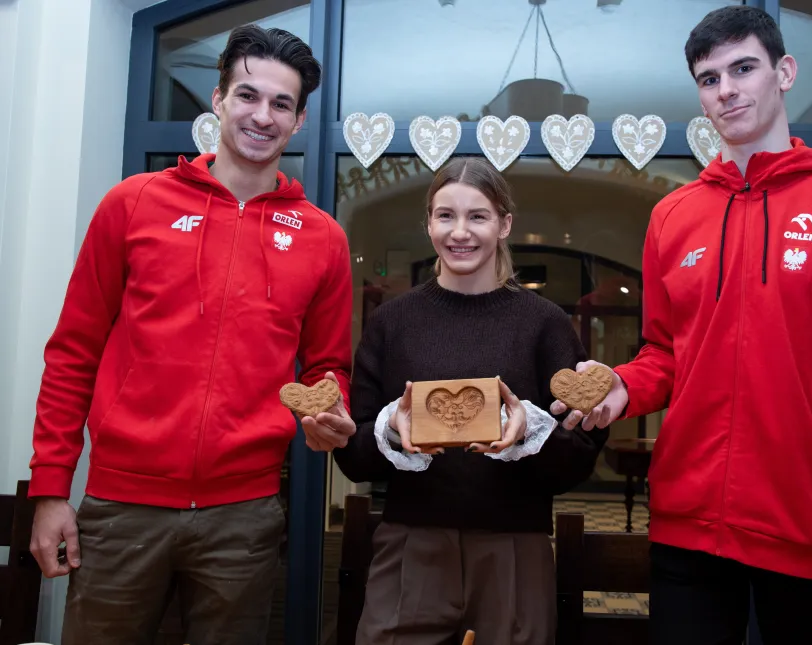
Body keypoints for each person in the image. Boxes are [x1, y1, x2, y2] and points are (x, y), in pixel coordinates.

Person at [552, 6, 812, 644]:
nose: (726, 89)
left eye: (743, 68)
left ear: (784, 73)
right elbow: (664, 354)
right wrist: (623, 386)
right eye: (708, 78)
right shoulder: (673, 217)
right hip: (687, 533)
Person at [27, 24, 356, 645]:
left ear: (300, 119)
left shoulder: (323, 239)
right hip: (120, 507)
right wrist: (50, 491)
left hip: (246, 515)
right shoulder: (132, 204)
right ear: (219, 100)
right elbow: (72, 353)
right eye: (248, 95)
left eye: (280, 103)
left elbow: (326, 366)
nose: (262, 115)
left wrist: (330, 407)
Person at [332, 157, 609, 645]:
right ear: (429, 224)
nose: (460, 232)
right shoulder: (392, 324)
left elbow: (579, 458)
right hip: (409, 544)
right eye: (446, 216)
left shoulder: (543, 324)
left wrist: (531, 433)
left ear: (504, 225)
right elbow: (354, 456)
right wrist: (393, 431)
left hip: (514, 548)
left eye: (477, 216)